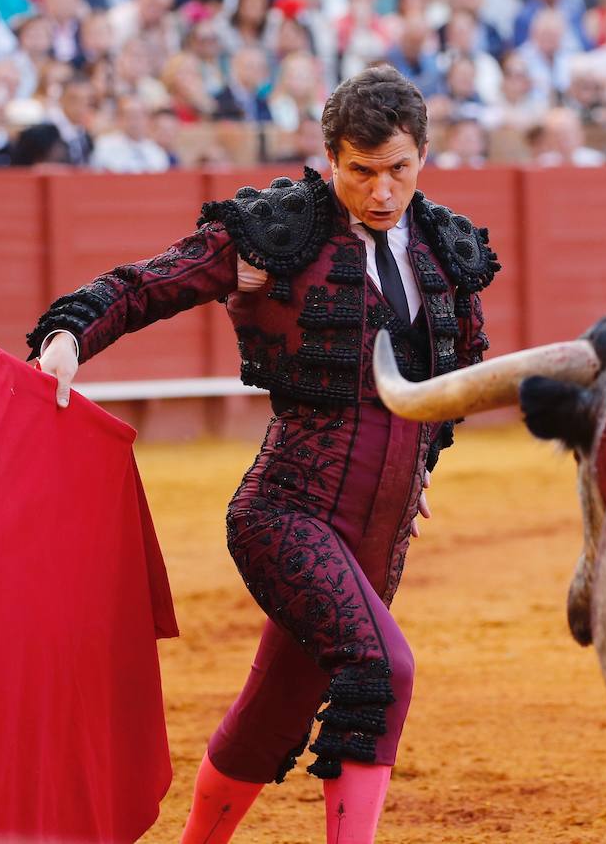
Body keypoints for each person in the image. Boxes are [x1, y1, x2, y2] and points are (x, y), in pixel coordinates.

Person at [28, 65, 495, 844]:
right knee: (381, 671)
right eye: (361, 171)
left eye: (398, 171)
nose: (381, 191)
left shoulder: (446, 248)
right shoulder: (281, 232)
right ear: (330, 156)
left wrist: (420, 472)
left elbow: (455, 380)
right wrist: (70, 331)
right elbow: (150, 284)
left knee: (271, 717)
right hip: (287, 510)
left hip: (379, 531)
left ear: (423, 156)